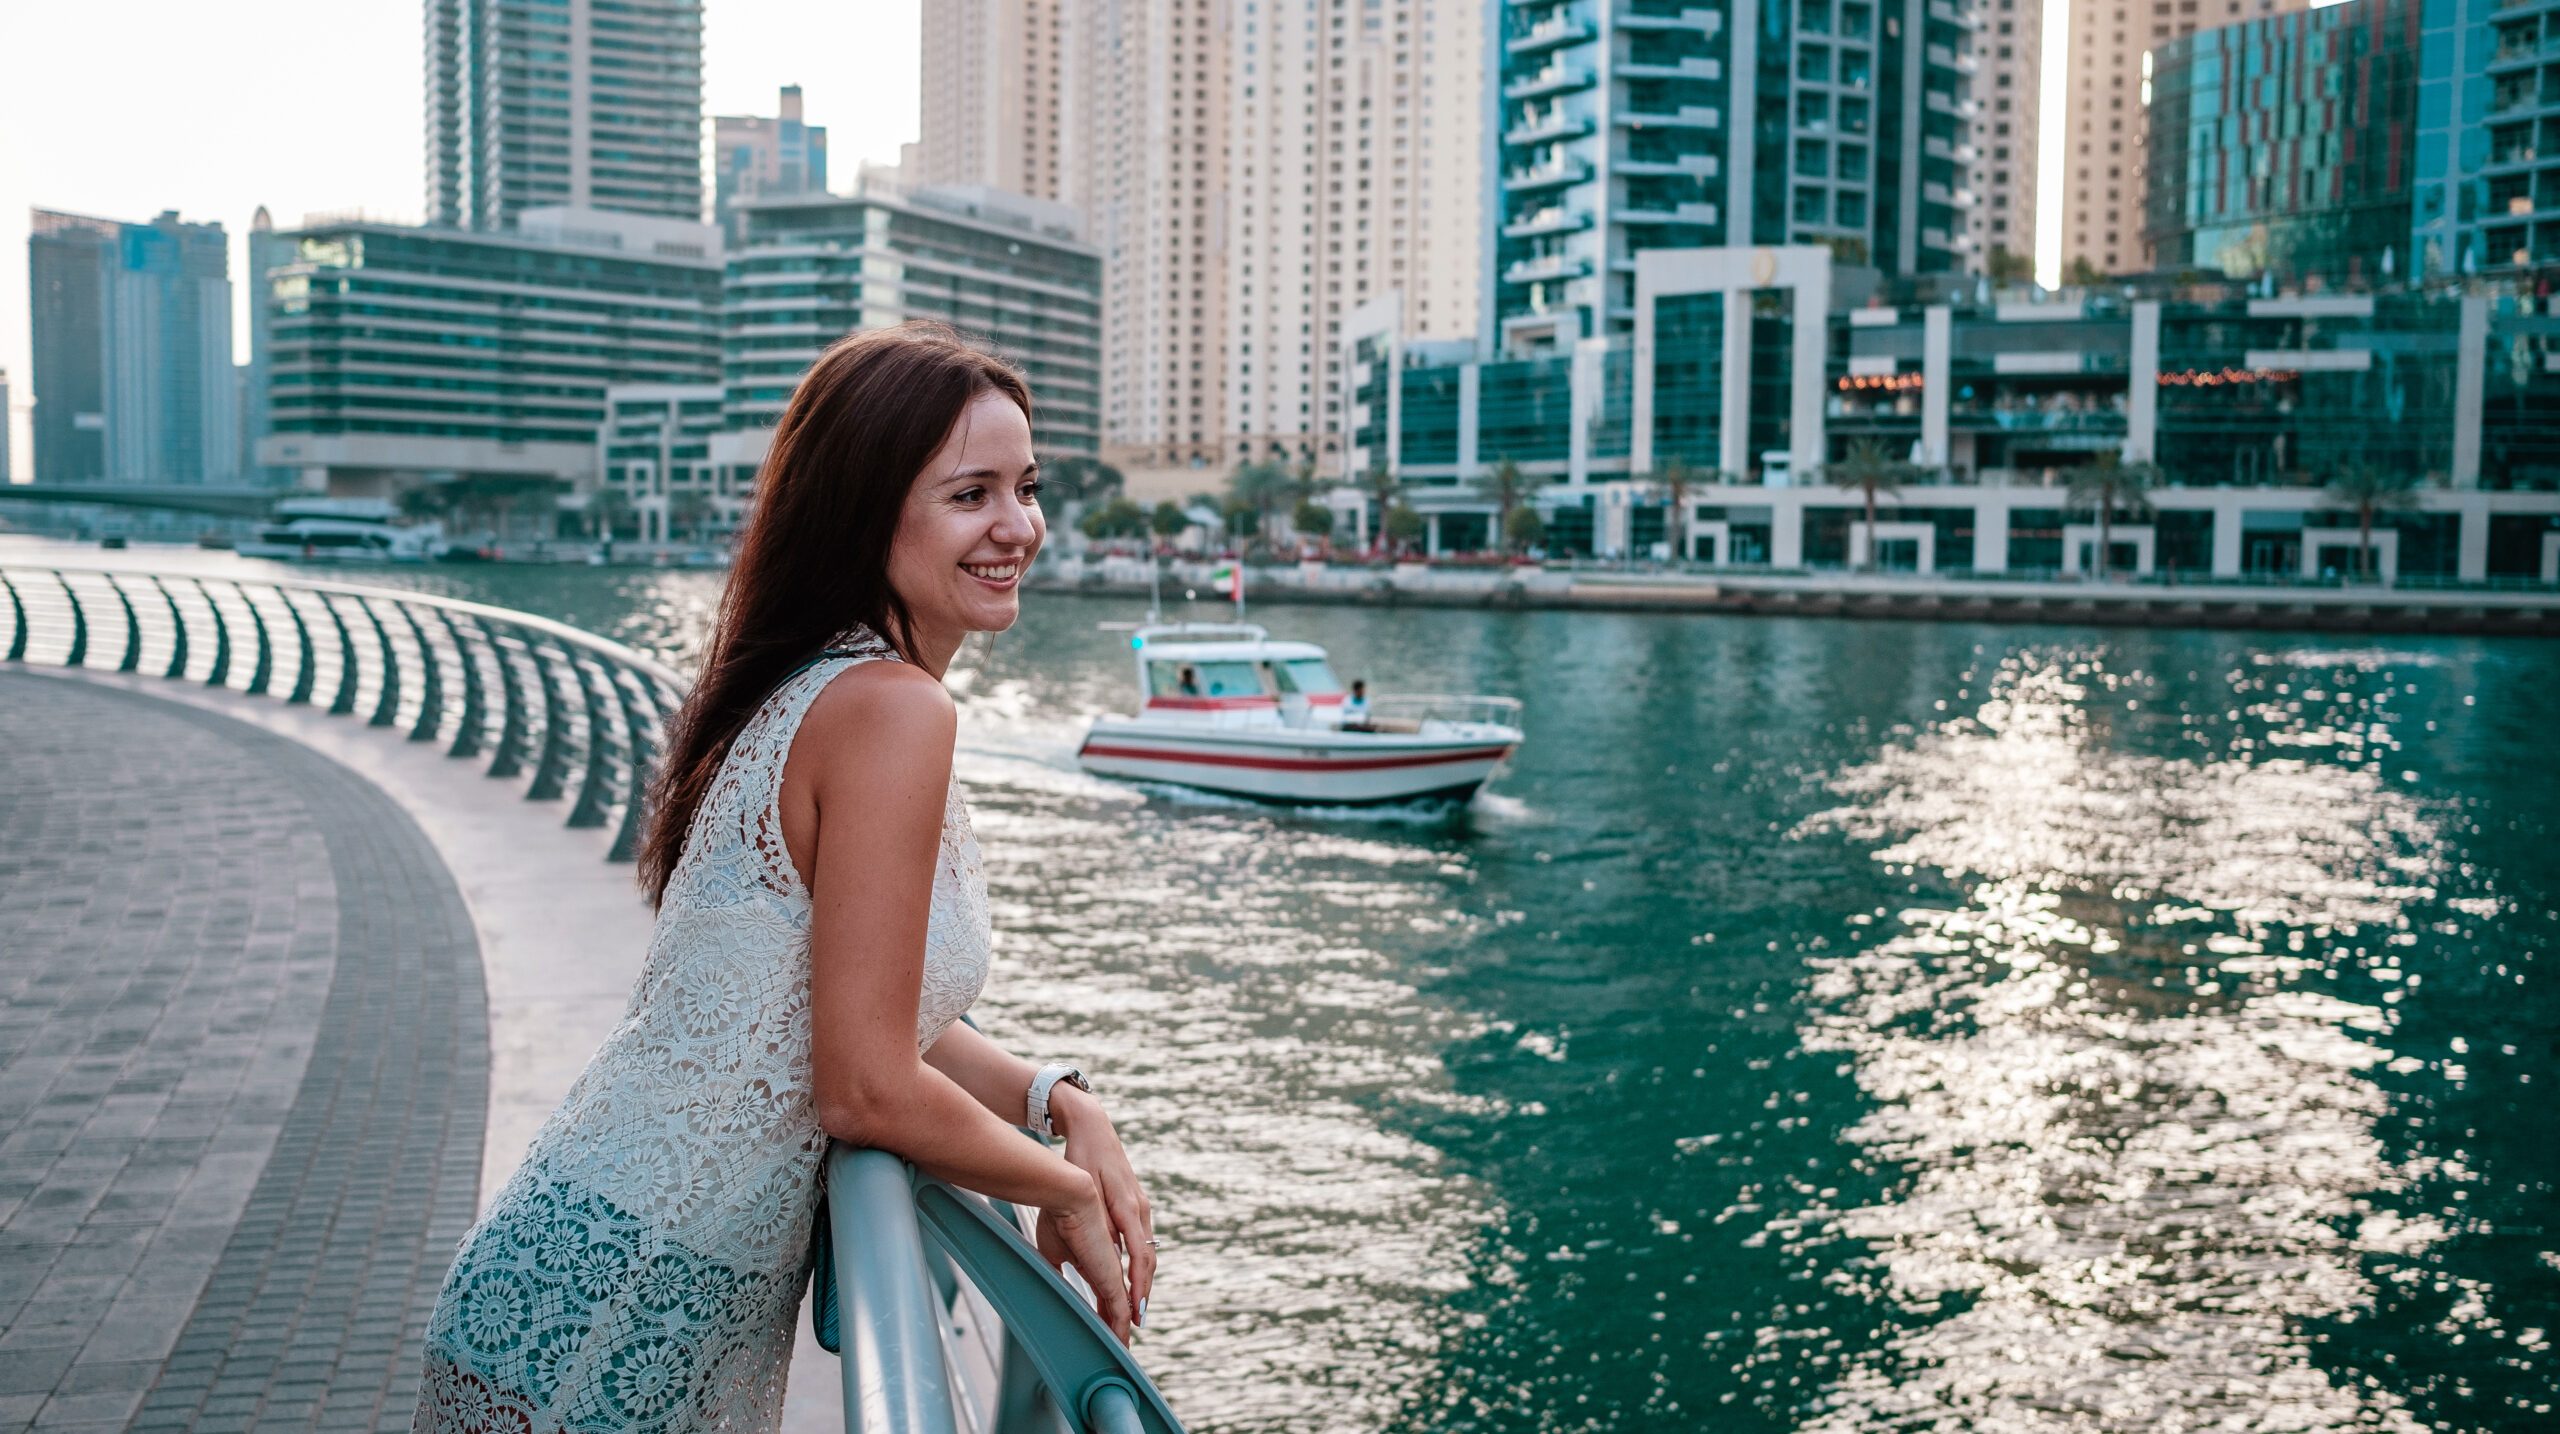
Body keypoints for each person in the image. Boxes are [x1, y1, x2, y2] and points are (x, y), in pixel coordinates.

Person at [414, 323, 1156, 1433]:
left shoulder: (833, 686)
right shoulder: (892, 710)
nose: (1020, 528)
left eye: (1028, 487)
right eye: (971, 495)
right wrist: (1065, 1187)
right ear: (867, 512)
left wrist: (1058, 1103)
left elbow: (854, 1002)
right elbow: (862, 1084)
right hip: (620, 1303)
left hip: (595, 1260)